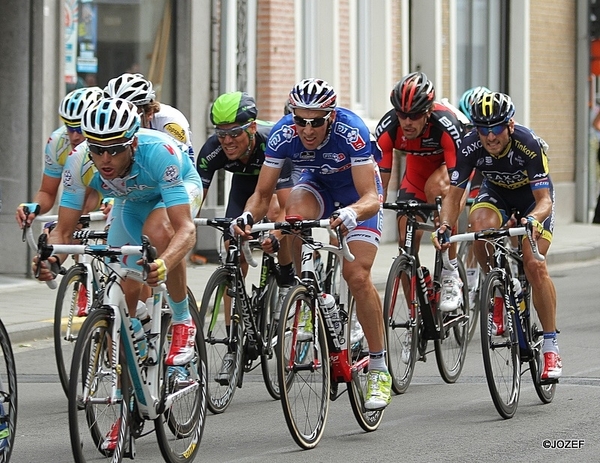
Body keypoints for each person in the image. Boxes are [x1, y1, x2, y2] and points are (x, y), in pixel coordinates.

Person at [233, 78, 391, 411]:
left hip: (355, 196)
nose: (306, 129)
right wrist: (247, 217)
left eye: (315, 121)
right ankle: (302, 285)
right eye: (299, 119)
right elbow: (262, 195)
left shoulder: (353, 131)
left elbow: (371, 197)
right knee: (293, 215)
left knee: (357, 276)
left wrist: (352, 212)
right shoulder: (282, 134)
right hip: (316, 186)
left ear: (330, 117)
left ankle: (378, 367)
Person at [35, 97, 202, 366]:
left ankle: (183, 322)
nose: (105, 159)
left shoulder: (160, 151)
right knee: (123, 283)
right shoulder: (79, 162)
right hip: (130, 202)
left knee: (158, 231)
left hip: (177, 189)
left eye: (115, 149)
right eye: (97, 149)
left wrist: (164, 263)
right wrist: (52, 260)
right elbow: (64, 232)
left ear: (133, 143)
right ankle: (138, 344)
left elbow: (185, 229)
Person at [433, 91, 561, 381]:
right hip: (498, 195)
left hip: (533, 201)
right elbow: (455, 197)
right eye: (483, 130)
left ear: (510, 126)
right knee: (478, 229)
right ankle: (498, 289)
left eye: (496, 129)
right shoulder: (469, 146)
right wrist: (444, 225)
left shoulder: (528, 144)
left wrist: (532, 220)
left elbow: (544, 200)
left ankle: (551, 346)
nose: (490, 137)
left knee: (535, 264)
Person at [196, 91, 294, 383]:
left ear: (251, 128)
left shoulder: (272, 142)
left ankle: (288, 280)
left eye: (235, 133)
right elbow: (192, 200)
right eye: (221, 133)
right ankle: (232, 343)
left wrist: (276, 234)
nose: (227, 141)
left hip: (275, 184)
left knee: (282, 222)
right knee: (231, 247)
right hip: (243, 187)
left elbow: (287, 208)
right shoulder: (212, 150)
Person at [375, 71, 465, 312]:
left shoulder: (445, 124)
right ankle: (417, 317)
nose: (407, 122)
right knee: (405, 242)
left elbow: (457, 185)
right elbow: (378, 186)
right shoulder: (388, 128)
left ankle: (450, 271)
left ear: (427, 112)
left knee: (436, 189)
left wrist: (445, 219)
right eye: (402, 114)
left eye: (414, 115)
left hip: (447, 173)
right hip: (415, 176)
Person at [15, 86, 104, 228]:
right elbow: (47, 192)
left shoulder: (107, 143)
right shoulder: (58, 142)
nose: (74, 136)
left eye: (80, 129)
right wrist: (34, 207)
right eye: (70, 127)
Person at [103, 72, 195, 164]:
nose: (121, 124)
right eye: (114, 116)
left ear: (149, 113)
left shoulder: (169, 122)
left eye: (127, 116)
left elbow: (182, 165)